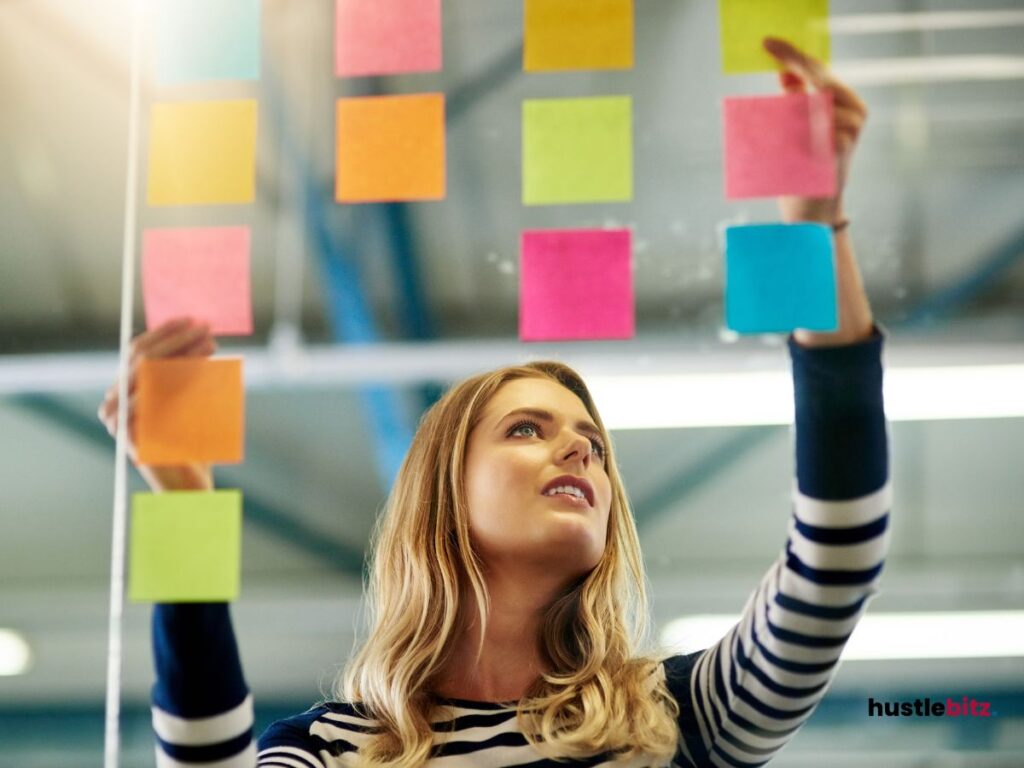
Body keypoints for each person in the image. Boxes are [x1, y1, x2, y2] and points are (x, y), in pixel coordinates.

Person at [98, 38, 890, 768]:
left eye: (594, 444)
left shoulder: (678, 714)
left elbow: (836, 557)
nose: (582, 451)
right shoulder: (331, 748)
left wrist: (813, 232)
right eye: (526, 429)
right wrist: (182, 502)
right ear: (446, 488)